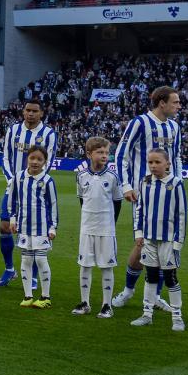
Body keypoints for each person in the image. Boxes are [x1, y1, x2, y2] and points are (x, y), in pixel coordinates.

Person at [114, 87, 184, 311]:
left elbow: (177, 157)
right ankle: (128, 290)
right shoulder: (140, 123)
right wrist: (125, 185)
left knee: (166, 245)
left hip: (169, 195)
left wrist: (178, 181)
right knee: (142, 243)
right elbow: (121, 153)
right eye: (175, 102)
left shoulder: (174, 126)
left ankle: (154, 296)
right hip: (144, 194)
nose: (179, 106)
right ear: (161, 103)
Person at [0, 100, 57, 288]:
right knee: (5, 227)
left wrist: (36, 181)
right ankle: (10, 269)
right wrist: (12, 179)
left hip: (35, 190)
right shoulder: (13, 130)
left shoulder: (48, 134)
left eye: (34, 111)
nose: (30, 114)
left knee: (31, 231)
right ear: (23, 111)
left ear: (41, 113)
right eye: (27, 110)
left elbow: (48, 161)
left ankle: (32, 275)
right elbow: (5, 157)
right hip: (13, 185)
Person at [131, 148, 187, 331]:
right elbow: (139, 209)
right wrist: (138, 233)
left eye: (157, 162)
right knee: (151, 276)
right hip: (149, 238)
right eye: (150, 162)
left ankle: (177, 317)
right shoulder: (144, 182)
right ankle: (147, 314)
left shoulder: (176, 184)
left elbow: (181, 214)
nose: (153, 166)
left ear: (167, 164)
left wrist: (178, 241)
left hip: (168, 239)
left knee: (170, 277)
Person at [73, 136, 124, 318]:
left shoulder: (112, 177)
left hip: (106, 229)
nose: (104, 156)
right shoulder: (81, 176)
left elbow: (117, 203)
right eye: (100, 152)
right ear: (89, 154)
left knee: (106, 266)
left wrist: (110, 223)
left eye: (106, 152)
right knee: (85, 265)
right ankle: (85, 302)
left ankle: (106, 305)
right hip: (86, 228)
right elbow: (82, 199)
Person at [11, 146, 60, 309]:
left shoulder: (47, 180)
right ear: (27, 159)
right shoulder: (18, 178)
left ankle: (46, 297)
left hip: (42, 228)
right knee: (26, 259)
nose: (35, 162)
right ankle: (28, 296)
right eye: (32, 158)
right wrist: (13, 219)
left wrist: (53, 227)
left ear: (45, 162)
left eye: (39, 159)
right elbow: (13, 200)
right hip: (24, 227)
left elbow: (53, 205)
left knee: (40, 259)